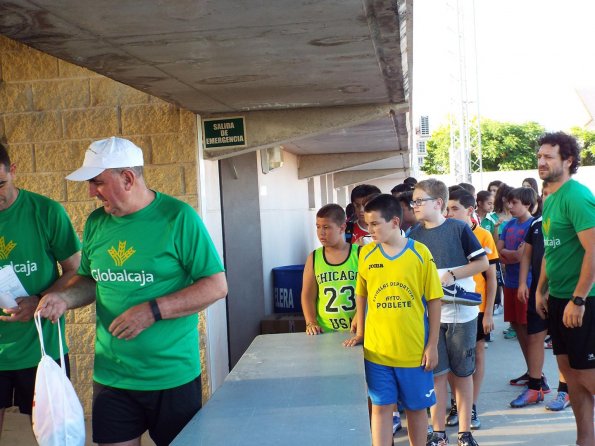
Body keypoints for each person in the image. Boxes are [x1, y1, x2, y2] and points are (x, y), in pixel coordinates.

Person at [37, 137, 228, 446]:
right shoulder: (97, 222)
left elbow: (216, 286)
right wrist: (63, 298)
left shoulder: (178, 218)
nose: (90, 192)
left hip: (172, 376)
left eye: (97, 182)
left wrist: (152, 311)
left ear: (127, 178)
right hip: (113, 376)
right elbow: (89, 279)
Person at [344, 194, 442, 446]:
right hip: (377, 352)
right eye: (367, 224)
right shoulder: (366, 254)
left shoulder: (420, 253)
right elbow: (361, 294)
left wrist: (432, 345)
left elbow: (434, 300)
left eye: (375, 224)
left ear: (395, 222)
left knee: (416, 411)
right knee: (381, 408)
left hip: (413, 352)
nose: (370, 230)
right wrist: (361, 333)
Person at [0, 143, 81, 441]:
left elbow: (76, 270)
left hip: (42, 350)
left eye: (1, 183)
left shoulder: (46, 211)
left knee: (53, 437)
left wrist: (40, 300)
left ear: (13, 171)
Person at [408, 179, 488, 446]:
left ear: (438, 203)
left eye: (420, 201)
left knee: (462, 373)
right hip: (430, 318)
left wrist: (451, 275)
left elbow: (482, 262)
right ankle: (438, 432)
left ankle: (465, 433)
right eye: (414, 202)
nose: (415, 206)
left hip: (462, 316)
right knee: (437, 374)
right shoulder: (413, 235)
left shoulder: (459, 228)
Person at [535, 132, 595, 446]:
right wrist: (540, 289)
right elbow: (551, 247)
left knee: (588, 377)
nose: (541, 161)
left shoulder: (575, 195)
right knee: (571, 378)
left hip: (582, 300)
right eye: (540, 155)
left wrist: (578, 298)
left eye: (549, 156)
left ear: (568, 161)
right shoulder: (549, 196)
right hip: (558, 299)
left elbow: (593, 249)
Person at [445, 189, 498, 430]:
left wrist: (488, 313)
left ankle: (471, 405)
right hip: (449, 308)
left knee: (476, 356)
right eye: (446, 209)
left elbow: (492, 277)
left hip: (475, 308)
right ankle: (457, 403)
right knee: (450, 359)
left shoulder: (484, 235)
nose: (449, 213)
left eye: (454, 208)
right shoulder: (443, 235)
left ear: (470, 210)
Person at [496, 188, 543, 391]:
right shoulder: (507, 225)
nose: (510, 206)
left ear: (527, 204)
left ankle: (538, 376)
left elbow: (517, 257)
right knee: (517, 327)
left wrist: (509, 254)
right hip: (511, 283)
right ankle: (530, 370)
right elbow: (499, 253)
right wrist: (509, 254)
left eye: (514, 203)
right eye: (509, 202)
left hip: (527, 284)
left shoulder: (533, 225)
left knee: (529, 332)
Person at [301, 204, 358, 334]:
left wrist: (360, 316)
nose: (321, 232)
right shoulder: (314, 257)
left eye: (326, 227)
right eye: (318, 227)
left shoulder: (359, 254)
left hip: (357, 331)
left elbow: (369, 293)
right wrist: (311, 322)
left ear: (342, 227)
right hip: (325, 332)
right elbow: (308, 295)